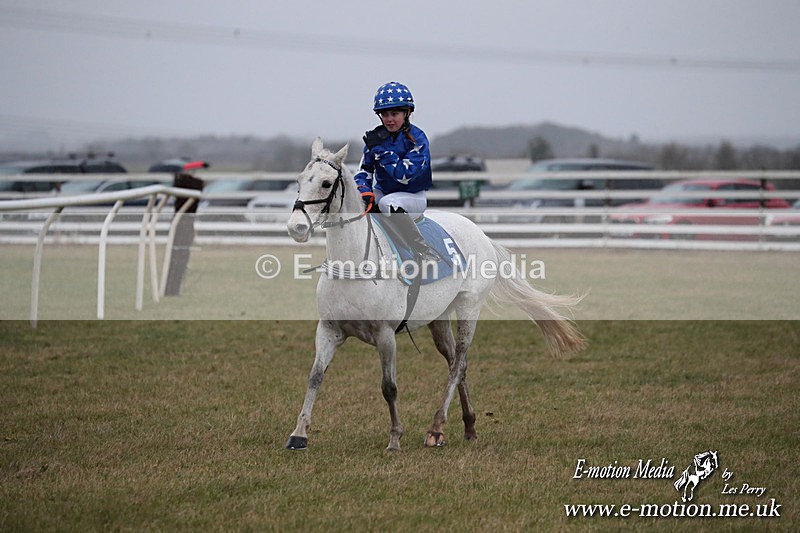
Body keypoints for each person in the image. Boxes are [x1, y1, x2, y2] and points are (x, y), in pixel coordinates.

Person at [353, 81, 437, 260]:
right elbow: (363, 172)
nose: (389, 119)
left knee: (387, 204)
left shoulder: (418, 139)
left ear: (407, 113)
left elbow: (403, 176)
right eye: (385, 114)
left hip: (412, 197)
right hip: (384, 192)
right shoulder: (376, 138)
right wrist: (364, 190)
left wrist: (381, 152)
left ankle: (423, 251)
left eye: (395, 113)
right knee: (356, 202)